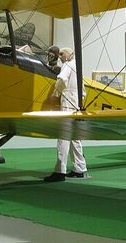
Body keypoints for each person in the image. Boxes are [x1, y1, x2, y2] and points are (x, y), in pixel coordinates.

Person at [43, 47, 87, 182]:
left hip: (67, 104)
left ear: (68, 54)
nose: (60, 57)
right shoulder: (77, 67)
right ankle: (79, 168)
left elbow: (61, 79)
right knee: (75, 137)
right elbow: (83, 91)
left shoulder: (68, 65)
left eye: (62, 54)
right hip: (76, 105)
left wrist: (54, 95)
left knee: (63, 136)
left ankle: (60, 171)